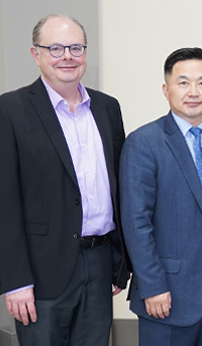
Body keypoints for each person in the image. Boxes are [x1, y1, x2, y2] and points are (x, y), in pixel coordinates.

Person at [0, 14, 129, 345]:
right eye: (55, 48)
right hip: (42, 271)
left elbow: (118, 190)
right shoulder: (10, 110)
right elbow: (5, 201)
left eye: (75, 47)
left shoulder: (107, 108)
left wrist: (119, 262)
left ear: (85, 53)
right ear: (36, 54)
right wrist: (15, 281)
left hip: (100, 262)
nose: (67, 56)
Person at [119, 47, 202, 345]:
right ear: (166, 90)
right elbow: (136, 222)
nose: (194, 91)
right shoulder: (144, 143)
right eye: (183, 82)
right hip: (166, 292)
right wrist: (152, 286)